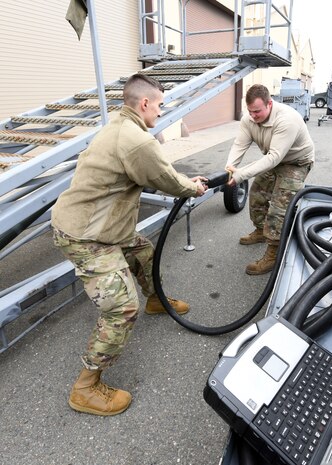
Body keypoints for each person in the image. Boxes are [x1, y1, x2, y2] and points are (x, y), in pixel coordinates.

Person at [51, 73, 208, 416]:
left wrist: (184, 182)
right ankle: (86, 387)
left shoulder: (119, 125)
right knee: (122, 307)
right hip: (85, 234)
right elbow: (164, 178)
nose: (161, 112)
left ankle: (156, 300)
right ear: (145, 103)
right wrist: (192, 188)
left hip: (103, 225)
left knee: (143, 252)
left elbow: (159, 173)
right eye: (160, 106)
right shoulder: (137, 141)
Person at [225, 84, 315, 275]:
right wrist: (230, 167)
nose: (253, 116)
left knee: (279, 207)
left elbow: (274, 157)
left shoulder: (287, 120)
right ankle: (260, 230)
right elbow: (240, 144)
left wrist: (242, 174)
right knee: (257, 194)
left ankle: (273, 252)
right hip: (273, 160)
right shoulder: (249, 119)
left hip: (295, 162)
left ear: (269, 104)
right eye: (250, 111)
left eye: (257, 111)